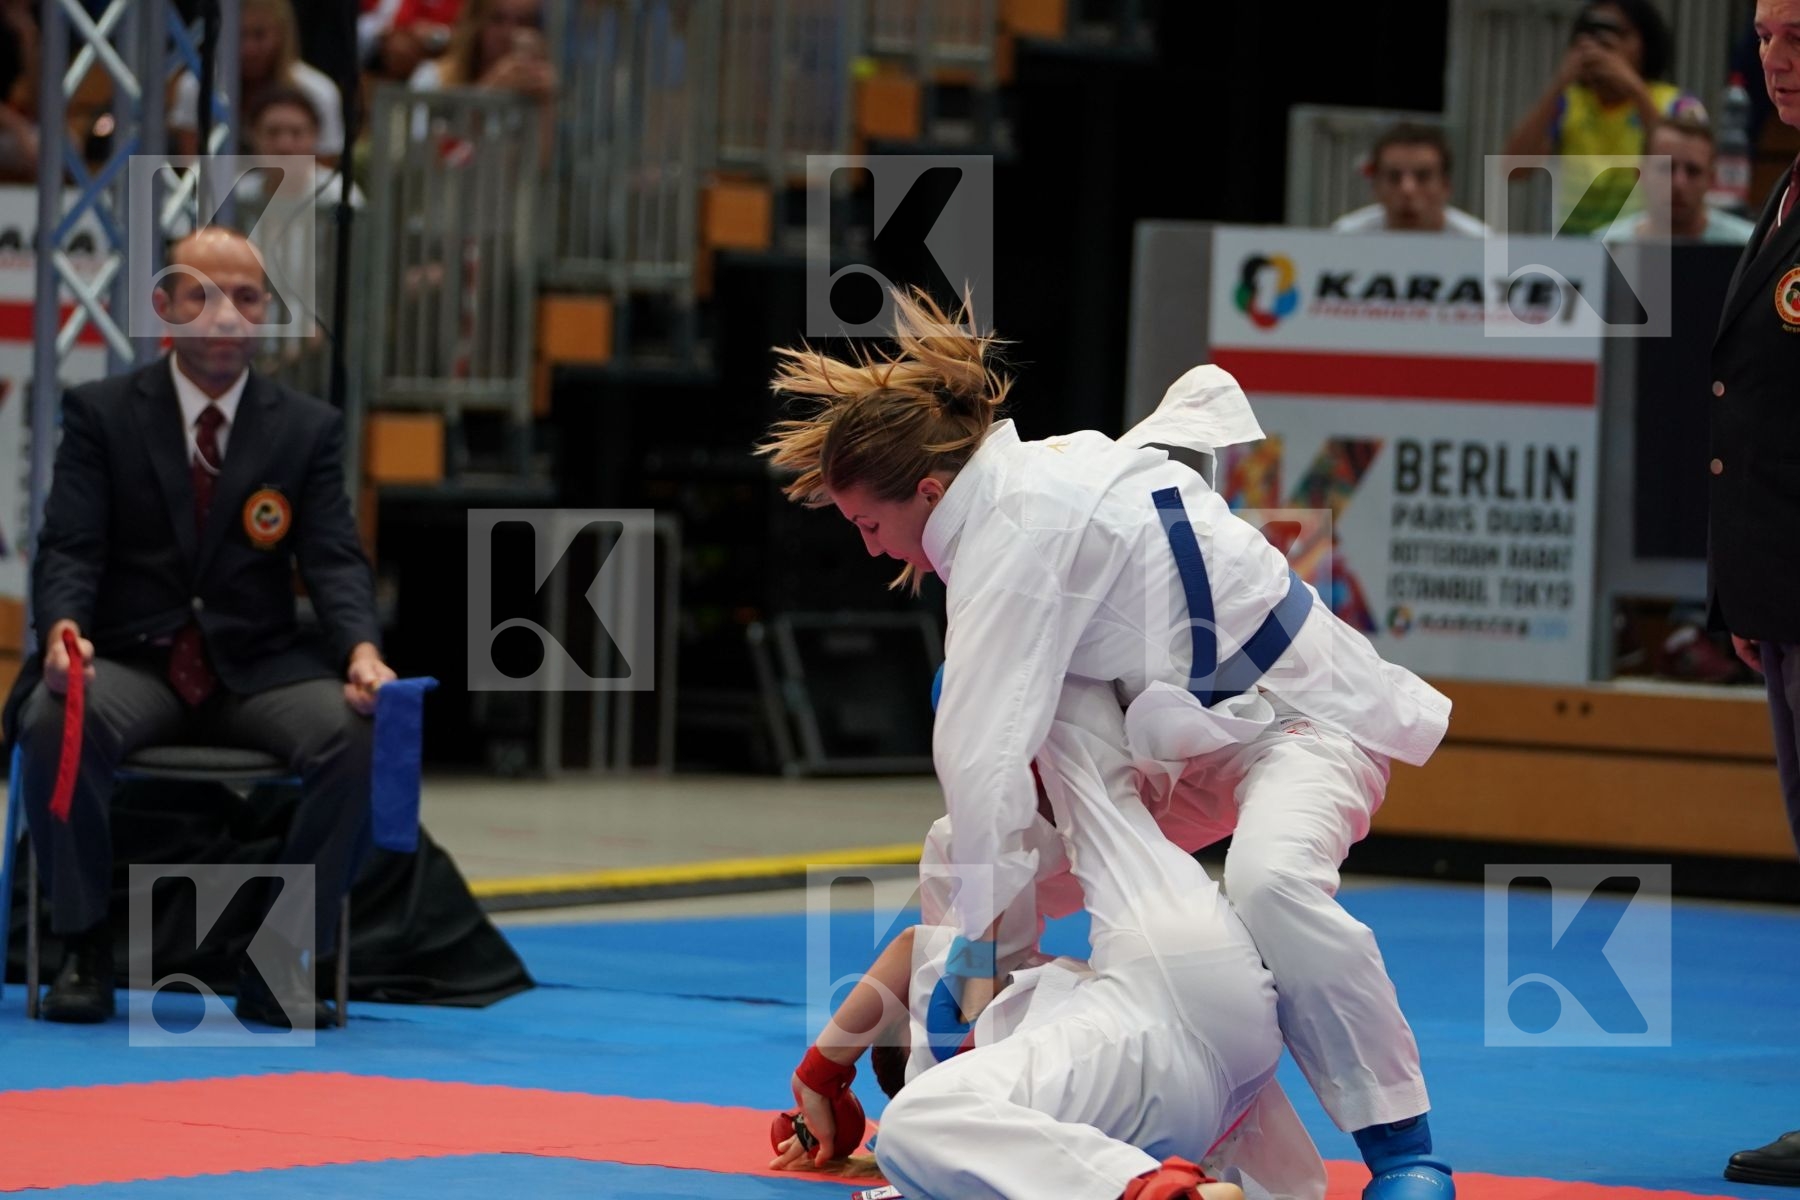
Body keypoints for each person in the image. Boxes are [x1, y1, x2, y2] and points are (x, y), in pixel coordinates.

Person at [757, 292, 1455, 1200]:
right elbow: (973, 855)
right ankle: (1051, 1149)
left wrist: (962, 972)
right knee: (973, 862)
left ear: (930, 491)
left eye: (866, 525)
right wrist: (829, 1064)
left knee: (1269, 880)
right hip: (1189, 756)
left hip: (1299, 716)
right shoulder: (1025, 495)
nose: (872, 550)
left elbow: (981, 767)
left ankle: (1405, 1150)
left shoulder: (1014, 529)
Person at [5, 227, 394, 1027]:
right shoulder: (104, 413)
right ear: (164, 310)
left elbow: (334, 560)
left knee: (362, 735)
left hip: (255, 668)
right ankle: (79, 946)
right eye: (202, 296)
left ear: (265, 316)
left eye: (245, 298)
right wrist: (63, 631)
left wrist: (361, 652)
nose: (224, 316)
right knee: (54, 715)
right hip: (130, 661)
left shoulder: (305, 428)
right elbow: (70, 546)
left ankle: (279, 959)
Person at [774, 679, 1321, 1200]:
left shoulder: (998, 1046)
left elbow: (920, 949)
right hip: (1191, 1026)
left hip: (1200, 1094)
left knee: (911, 1127)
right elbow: (913, 951)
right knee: (1090, 798)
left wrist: (827, 1087)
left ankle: (1159, 1187)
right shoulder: (968, 1054)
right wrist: (822, 1076)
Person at [1716, 0, 1800, 1184]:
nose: (1782, 61)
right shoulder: (1785, 196)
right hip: (1785, 595)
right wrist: (1750, 593)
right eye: (1773, 36)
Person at [1501, 0, 1705, 236]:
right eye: (1593, 33)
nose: (1604, 45)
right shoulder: (1568, 102)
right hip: (1576, 247)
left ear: (1645, 43)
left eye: (1619, 34)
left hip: (1638, 240)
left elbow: (1685, 163)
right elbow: (1512, 170)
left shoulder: (1674, 103)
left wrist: (1634, 89)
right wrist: (1560, 82)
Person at [170, 0, 347, 162]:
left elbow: (323, 174)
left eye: (259, 35)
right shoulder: (197, 86)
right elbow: (192, 170)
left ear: (282, 34)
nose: (249, 49)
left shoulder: (319, 92)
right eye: (239, 35)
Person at [1599, 116, 1759, 244]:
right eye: (1666, 168)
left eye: (1693, 171)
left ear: (1711, 179)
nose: (1679, 183)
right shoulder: (1603, 247)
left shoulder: (1748, 249)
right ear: (1640, 174)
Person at [1331, 123, 1489, 236]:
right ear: (1375, 186)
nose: (1407, 189)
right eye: (1394, 177)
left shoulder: (1479, 244)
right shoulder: (1346, 237)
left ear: (1446, 186)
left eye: (1423, 177)